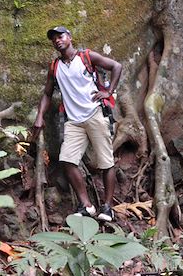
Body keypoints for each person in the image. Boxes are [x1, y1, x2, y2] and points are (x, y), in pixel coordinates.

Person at [30, 25, 123, 221]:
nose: (57, 40)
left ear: (69, 37)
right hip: (73, 121)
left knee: (106, 162)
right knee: (67, 160)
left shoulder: (86, 57)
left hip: (95, 115)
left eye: (60, 36)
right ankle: (86, 205)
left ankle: (107, 207)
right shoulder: (55, 67)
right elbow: (47, 94)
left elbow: (116, 66)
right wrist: (39, 117)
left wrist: (109, 91)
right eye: (54, 38)